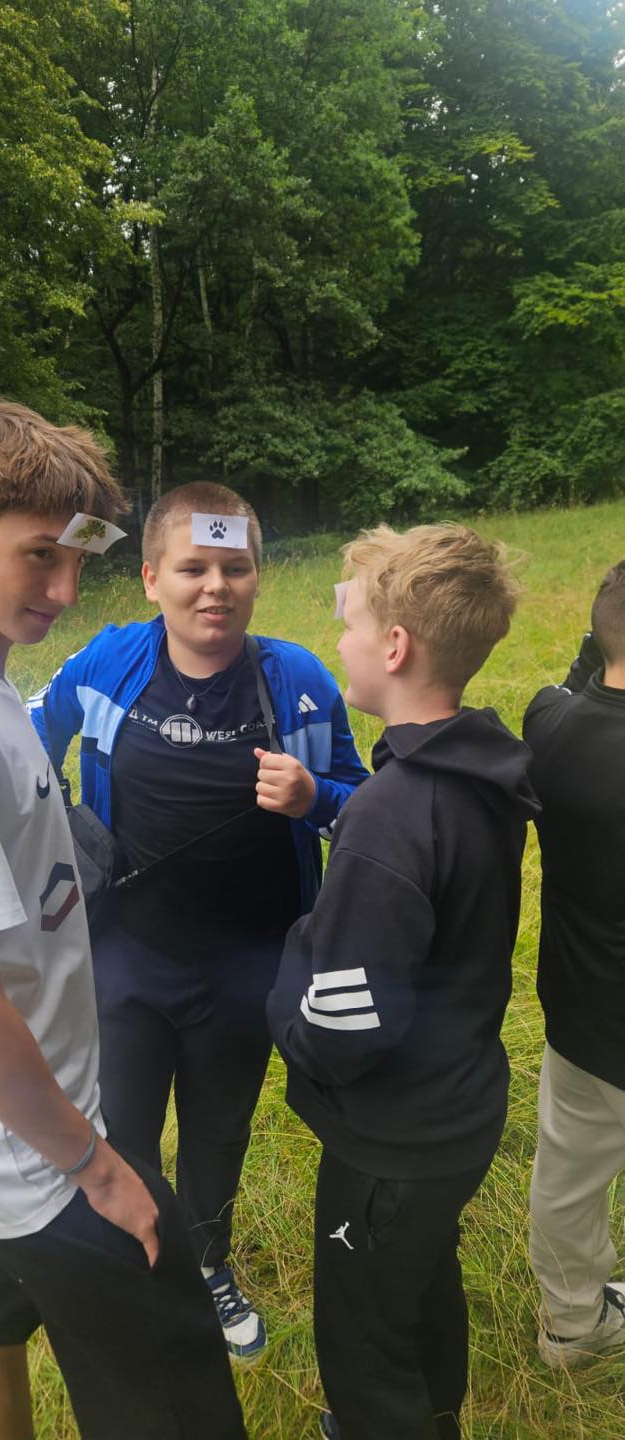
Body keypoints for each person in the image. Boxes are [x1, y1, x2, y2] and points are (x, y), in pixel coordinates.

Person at [0, 402, 248, 1440]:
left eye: (78, 558)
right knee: (173, 1395)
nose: (67, 590)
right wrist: (98, 1170)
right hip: (34, 1153)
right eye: (40, 556)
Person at [29, 480, 367, 1359]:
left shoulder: (297, 681)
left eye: (235, 567)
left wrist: (315, 797)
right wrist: (56, 830)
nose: (215, 587)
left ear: (258, 577)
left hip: (249, 968)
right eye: (192, 568)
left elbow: (368, 807)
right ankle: (138, 1272)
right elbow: (23, 739)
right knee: (125, 1130)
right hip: (127, 960)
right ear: (151, 578)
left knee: (219, 1134)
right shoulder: (107, 663)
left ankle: (208, 1266)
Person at [268, 522, 538, 1440]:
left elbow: (348, 1021)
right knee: (419, 1281)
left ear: (393, 646)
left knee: (364, 1335)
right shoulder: (476, 769)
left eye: (347, 623)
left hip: (392, 1142)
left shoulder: (390, 814)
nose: (337, 639)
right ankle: (437, 1414)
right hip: (458, 1112)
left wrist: (288, 997)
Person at [525, 563, 625, 1369]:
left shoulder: (547, 725)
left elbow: (569, 688)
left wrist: (595, 650)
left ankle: (571, 1323)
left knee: (568, 1173)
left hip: (586, 1012)